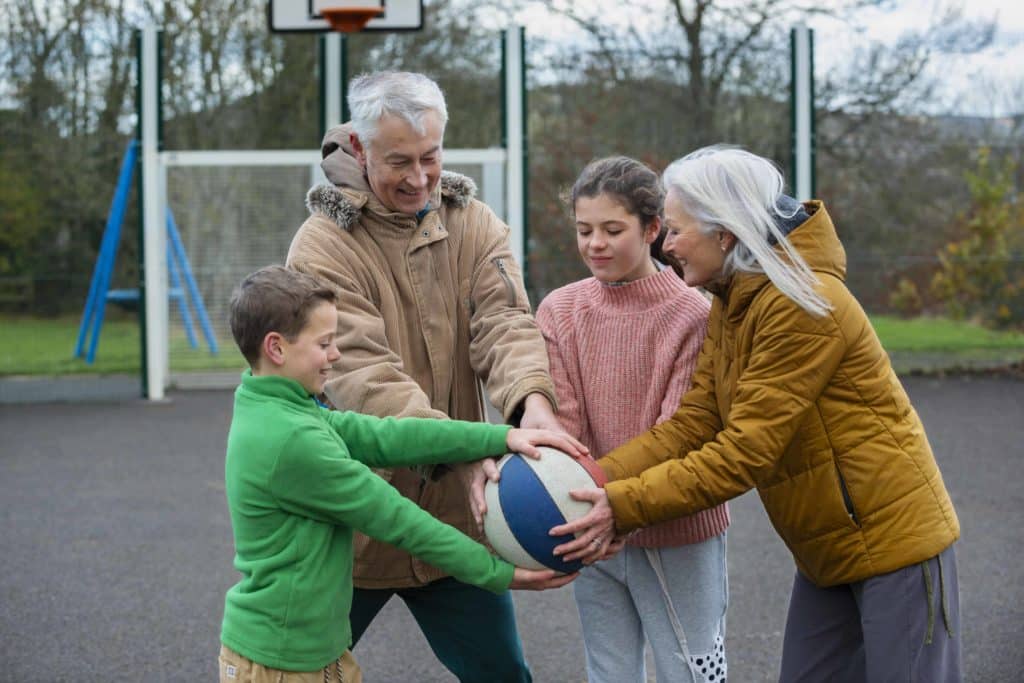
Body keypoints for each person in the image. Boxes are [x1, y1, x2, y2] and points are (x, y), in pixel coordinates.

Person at [553, 146, 962, 682]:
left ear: (724, 233)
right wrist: (592, 478)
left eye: (675, 230)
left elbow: (745, 452)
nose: (667, 244)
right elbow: (695, 423)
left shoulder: (800, 302)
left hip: (894, 546)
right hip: (826, 548)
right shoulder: (733, 298)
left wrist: (619, 506)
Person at [285, 71, 564, 682]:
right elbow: (361, 376)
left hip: (453, 523)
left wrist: (532, 408)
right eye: (398, 162)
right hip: (354, 523)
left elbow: (506, 324)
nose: (418, 178)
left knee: (503, 675)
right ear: (358, 150)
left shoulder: (474, 223)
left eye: (430, 157)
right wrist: (462, 452)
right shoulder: (322, 245)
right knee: (296, 673)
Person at [218, 265, 582, 683]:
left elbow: (387, 435)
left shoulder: (282, 406)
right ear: (276, 348)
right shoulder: (291, 439)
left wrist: (500, 438)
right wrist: (497, 573)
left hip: (311, 653)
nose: (336, 354)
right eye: (324, 343)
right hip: (281, 664)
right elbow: (397, 519)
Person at [535, 156, 730, 683]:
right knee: (609, 671)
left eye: (612, 229)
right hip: (589, 526)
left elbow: (680, 432)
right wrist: (587, 507)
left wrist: (613, 504)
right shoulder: (560, 309)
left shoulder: (693, 313)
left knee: (691, 670)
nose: (595, 243)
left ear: (652, 229)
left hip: (677, 528)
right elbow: (565, 423)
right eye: (584, 230)